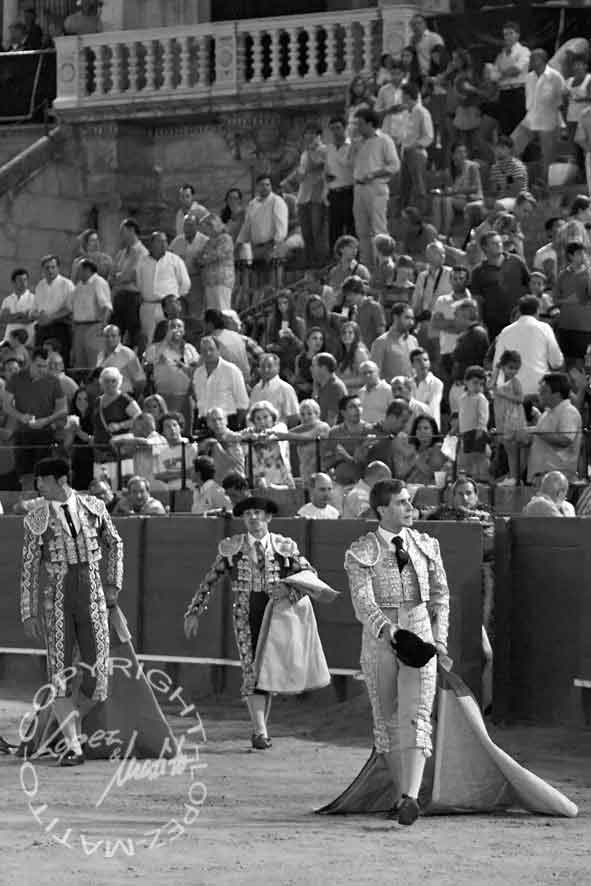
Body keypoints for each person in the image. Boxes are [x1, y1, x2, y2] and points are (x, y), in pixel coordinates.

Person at [184, 496, 330, 748]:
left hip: (277, 615)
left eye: (258, 513)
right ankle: (260, 732)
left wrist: (289, 592)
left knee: (266, 671)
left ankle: (261, 729)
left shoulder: (284, 546)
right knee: (252, 670)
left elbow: (311, 576)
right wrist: (194, 611)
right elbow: (210, 580)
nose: (253, 517)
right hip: (245, 613)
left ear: (268, 517)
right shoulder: (232, 547)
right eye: (248, 513)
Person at [342, 479, 449, 824]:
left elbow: (441, 596)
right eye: (402, 503)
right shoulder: (361, 550)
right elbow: (362, 601)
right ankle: (404, 794)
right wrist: (387, 629)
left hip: (419, 632)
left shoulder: (427, 545)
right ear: (382, 510)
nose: (410, 508)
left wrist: (440, 639)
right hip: (381, 640)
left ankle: (410, 796)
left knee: (417, 714)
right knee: (386, 719)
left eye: (410, 502)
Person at [19, 456, 123, 765]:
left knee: (98, 678)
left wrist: (113, 584)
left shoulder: (94, 506)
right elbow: (29, 568)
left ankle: (65, 727)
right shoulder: (36, 517)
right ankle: (73, 746)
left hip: (91, 591)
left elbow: (114, 544)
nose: (39, 486)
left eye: (43, 480)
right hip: (57, 598)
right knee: (60, 675)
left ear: (60, 480)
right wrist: (28, 611)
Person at [4, 348, 68, 490]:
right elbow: (6, 405)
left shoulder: (53, 380)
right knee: (25, 476)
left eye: (45, 366)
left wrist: (45, 421)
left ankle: (45, 507)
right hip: (23, 433)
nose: (43, 369)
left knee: (45, 475)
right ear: (30, 363)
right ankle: (28, 506)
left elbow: (63, 409)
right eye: (39, 365)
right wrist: (21, 416)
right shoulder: (16, 378)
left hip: (45, 434)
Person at [352, 108, 400, 267]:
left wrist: (374, 174)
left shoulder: (384, 140)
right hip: (358, 188)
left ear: (370, 123)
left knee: (379, 228)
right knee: (362, 230)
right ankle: (366, 266)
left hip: (376, 187)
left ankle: (384, 265)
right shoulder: (357, 142)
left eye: (360, 124)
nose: (357, 128)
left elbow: (394, 165)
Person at [492, 295, 564, 397]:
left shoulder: (506, 331)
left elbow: (497, 364)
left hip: (511, 392)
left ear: (520, 311)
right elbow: (556, 362)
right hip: (539, 390)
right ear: (537, 310)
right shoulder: (545, 328)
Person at [512, 49, 565, 186]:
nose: (530, 61)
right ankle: (519, 181)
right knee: (512, 146)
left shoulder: (555, 77)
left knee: (547, 158)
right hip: (529, 119)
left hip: (548, 122)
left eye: (533, 59)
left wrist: (562, 125)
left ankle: (543, 186)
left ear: (542, 60)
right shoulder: (529, 77)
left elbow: (562, 102)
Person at [281, 123, 327, 268]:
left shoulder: (324, 150)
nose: (310, 136)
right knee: (306, 232)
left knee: (317, 231)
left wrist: (310, 156)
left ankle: (320, 262)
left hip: (317, 195)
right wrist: (290, 181)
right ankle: (310, 262)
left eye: (313, 133)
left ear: (319, 135)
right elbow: (301, 175)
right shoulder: (304, 154)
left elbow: (318, 166)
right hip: (303, 196)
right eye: (307, 133)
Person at [470, 231, 529, 340]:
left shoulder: (517, 262)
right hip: (494, 324)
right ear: (485, 247)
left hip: (520, 319)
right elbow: (477, 300)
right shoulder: (478, 271)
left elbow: (529, 287)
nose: (499, 245)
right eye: (494, 243)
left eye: (500, 242)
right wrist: (480, 322)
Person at [136, 232, 190, 347]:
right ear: (151, 244)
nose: (164, 244)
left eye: (165, 241)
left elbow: (185, 283)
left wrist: (174, 300)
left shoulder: (175, 260)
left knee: (171, 337)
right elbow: (139, 282)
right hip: (148, 306)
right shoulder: (142, 261)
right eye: (159, 241)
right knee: (148, 339)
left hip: (168, 308)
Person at [527, 372, 582, 483]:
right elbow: (540, 437)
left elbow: (565, 440)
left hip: (557, 478)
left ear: (557, 394)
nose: (539, 394)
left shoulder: (568, 411)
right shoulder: (546, 413)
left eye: (544, 391)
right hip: (540, 476)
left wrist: (536, 431)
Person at [192, 336, 249, 430]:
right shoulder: (198, 373)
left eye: (211, 349)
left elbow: (243, 403)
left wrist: (235, 426)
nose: (208, 353)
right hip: (205, 423)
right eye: (204, 350)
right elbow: (199, 400)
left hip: (228, 422)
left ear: (218, 350)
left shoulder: (231, 370)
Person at [110, 218, 148, 350]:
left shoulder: (141, 252)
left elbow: (130, 275)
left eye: (123, 232)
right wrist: (119, 277)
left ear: (132, 231)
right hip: (119, 296)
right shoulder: (121, 253)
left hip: (132, 297)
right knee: (115, 330)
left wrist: (119, 277)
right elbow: (112, 274)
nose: (121, 236)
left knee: (133, 333)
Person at [432, 142, 483, 237]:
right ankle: (436, 232)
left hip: (471, 198)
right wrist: (444, 191)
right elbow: (449, 188)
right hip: (456, 198)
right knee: (437, 200)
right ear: (453, 155)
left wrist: (455, 191)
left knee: (447, 201)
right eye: (459, 152)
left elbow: (475, 188)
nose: (462, 155)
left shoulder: (472, 166)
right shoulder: (450, 170)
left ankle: (445, 234)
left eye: (464, 152)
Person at [492, 350, 527, 486]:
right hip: (502, 417)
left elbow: (520, 398)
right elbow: (490, 385)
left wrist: (504, 394)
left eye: (515, 369)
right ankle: (512, 476)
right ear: (503, 366)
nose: (513, 371)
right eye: (510, 368)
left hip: (513, 418)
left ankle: (514, 477)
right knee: (508, 449)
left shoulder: (515, 382)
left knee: (513, 450)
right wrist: (496, 369)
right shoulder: (499, 381)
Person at [70, 258, 112, 370]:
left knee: (93, 362)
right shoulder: (78, 286)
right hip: (79, 327)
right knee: (79, 362)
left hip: (94, 326)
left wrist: (102, 327)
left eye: (78, 270)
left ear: (87, 270)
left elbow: (106, 306)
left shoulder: (98, 282)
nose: (76, 273)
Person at [399, 83, 434, 214]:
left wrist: (415, 145)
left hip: (416, 152)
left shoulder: (422, 112)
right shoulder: (406, 113)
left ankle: (423, 212)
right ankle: (405, 213)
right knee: (405, 186)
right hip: (405, 152)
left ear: (408, 96)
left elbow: (428, 136)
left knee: (419, 185)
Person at [32, 255, 74, 363]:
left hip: (60, 328)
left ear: (58, 268)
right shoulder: (40, 285)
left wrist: (51, 317)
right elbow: (34, 309)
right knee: (40, 359)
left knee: (60, 360)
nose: (50, 270)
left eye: (53, 267)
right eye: (47, 268)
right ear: (42, 270)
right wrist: (38, 316)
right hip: (42, 328)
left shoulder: (67, 284)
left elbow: (69, 308)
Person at [493, 21, 530, 135]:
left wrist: (500, 74)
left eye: (510, 33)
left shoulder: (524, 51)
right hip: (504, 94)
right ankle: (507, 152)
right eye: (505, 34)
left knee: (518, 129)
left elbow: (516, 70)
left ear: (517, 35)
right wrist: (495, 74)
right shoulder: (501, 55)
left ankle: (521, 153)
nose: (507, 36)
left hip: (518, 92)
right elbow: (493, 73)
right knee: (505, 128)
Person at [370, 303, 419, 383]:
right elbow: (374, 375)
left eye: (412, 319)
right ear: (396, 318)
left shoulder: (413, 341)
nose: (411, 323)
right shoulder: (380, 342)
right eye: (407, 318)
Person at [325, 116, 355, 247]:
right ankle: (335, 259)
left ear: (345, 128)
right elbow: (327, 169)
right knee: (334, 227)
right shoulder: (329, 148)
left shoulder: (353, 146)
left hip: (349, 190)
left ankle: (353, 257)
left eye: (338, 128)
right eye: (332, 129)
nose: (335, 132)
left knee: (350, 226)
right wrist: (327, 178)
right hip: (334, 192)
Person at [197, 213, 236, 312]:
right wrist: (204, 258)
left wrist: (205, 258)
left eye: (206, 227)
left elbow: (216, 255)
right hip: (209, 281)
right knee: (212, 311)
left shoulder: (225, 238)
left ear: (213, 225)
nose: (205, 231)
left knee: (223, 309)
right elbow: (200, 258)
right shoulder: (209, 241)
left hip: (221, 280)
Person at [458, 365, 490, 481]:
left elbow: (483, 416)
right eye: (475, 383)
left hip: (477, 431)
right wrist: (457, 429)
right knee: (467, 458)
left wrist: (481, 429)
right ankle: (468, 480)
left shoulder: (480, 398)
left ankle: (482, 479)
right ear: (466, 382)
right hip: (466, 432)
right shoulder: (462, 398)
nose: (478, 387)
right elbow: (461, 415)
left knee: (480, 457)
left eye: (481, 384)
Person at [250, 352, 299, 425]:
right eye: (263, 366)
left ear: (277, 368)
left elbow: (294, 417)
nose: (266, 369)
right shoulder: (256, 389)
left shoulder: (285, 388)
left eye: (269, 366)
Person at [0, 267, 35, 346]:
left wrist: (11, 317)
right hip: (8, 341)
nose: (23, 283)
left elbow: (28, 319)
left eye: (25, 280)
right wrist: (19, 314)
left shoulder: (34, 299)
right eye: (20, 280)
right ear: (13, 282)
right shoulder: (7, 300)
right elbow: (3, 318)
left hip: (27, 342)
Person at [358, 360, 393, 424]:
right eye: (364, 373)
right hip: (364, 431)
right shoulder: (361, 392)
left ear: (378, 372)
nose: (367, 375)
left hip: (382, 431)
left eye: (370, 372)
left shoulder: (388, 390)